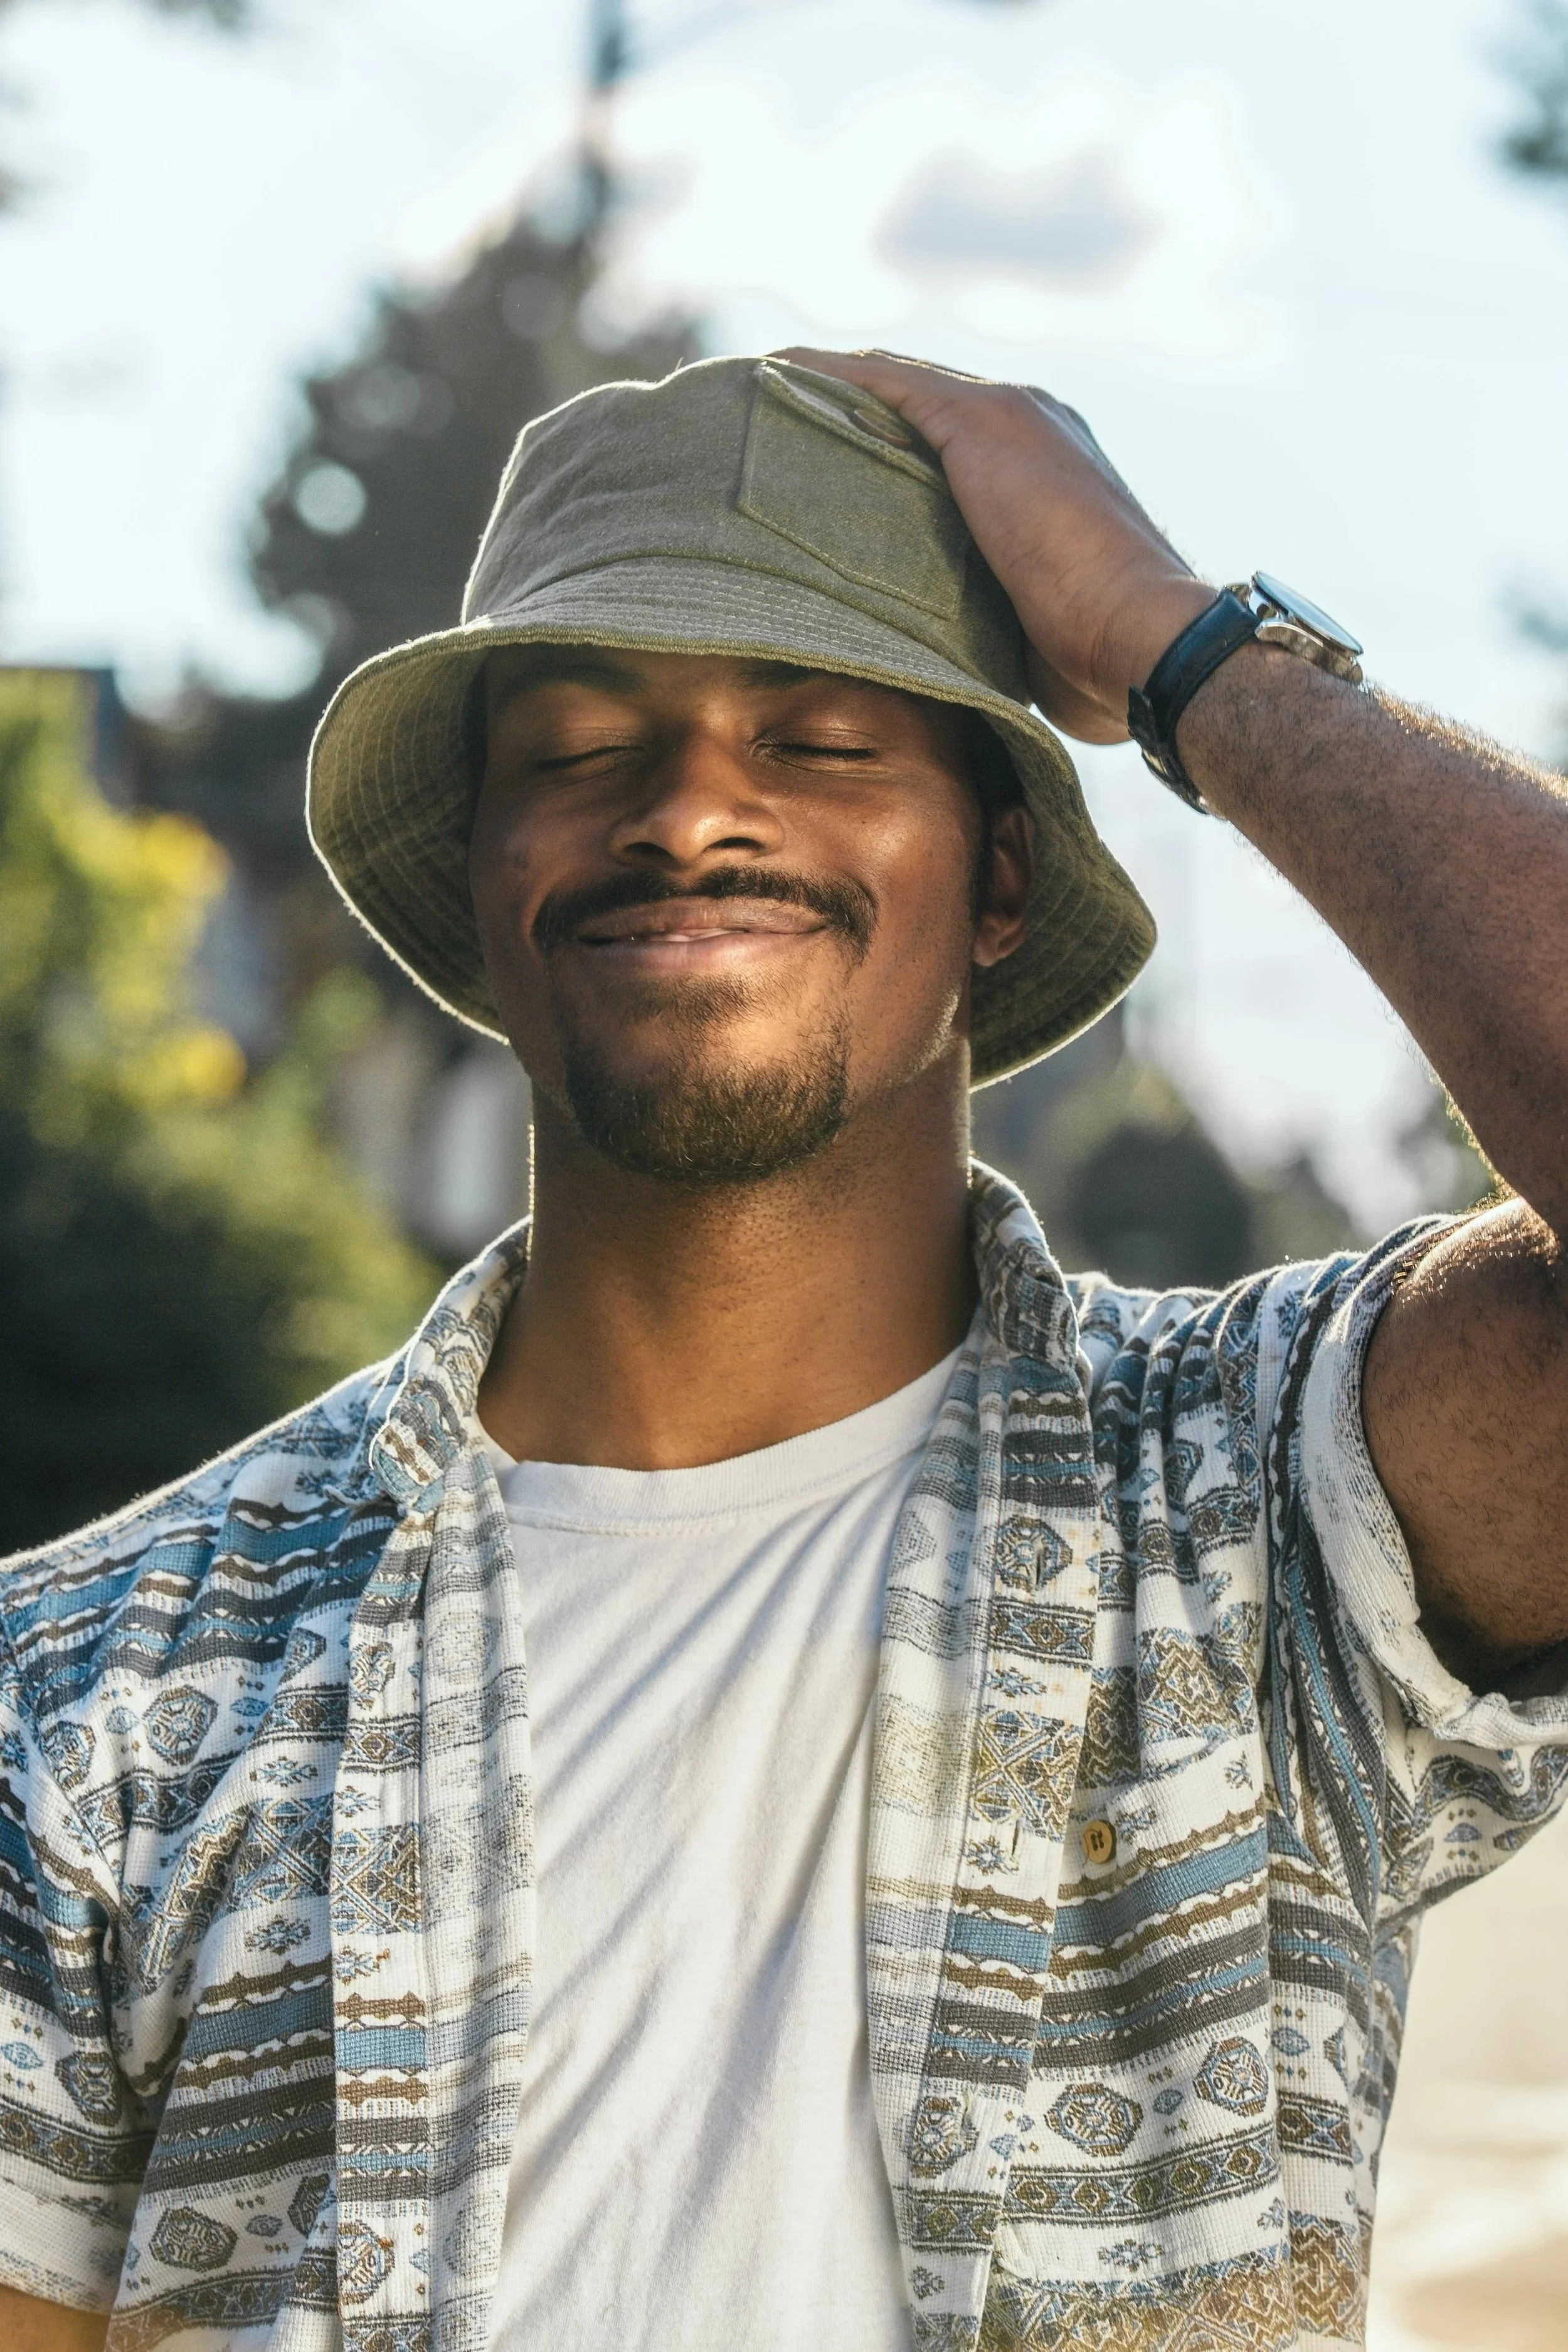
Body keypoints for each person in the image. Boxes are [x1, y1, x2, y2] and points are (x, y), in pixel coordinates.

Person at [1, 349, 1565, 2352]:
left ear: (998, 872)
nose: (687, 810)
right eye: (577, 746)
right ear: (484, 884)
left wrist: (1192, 657)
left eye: (819, 735)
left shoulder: (1250, 1517)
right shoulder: (97, 1693)